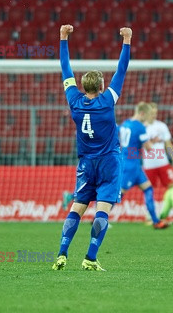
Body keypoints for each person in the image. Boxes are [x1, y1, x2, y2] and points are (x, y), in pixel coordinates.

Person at [52, 24, 131, 272]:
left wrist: (63, 38)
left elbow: (65, 68)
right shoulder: (108, 100)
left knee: (77, 207)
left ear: (83, 86)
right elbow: (122, 69)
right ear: (102, 86)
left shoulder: (74, 100)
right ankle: (90, 258)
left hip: (86, 163)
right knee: (103, 210)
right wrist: (126, 40)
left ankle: (62, 254)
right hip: (108, 161)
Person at [119, 102, 169, 229]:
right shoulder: (140, 127)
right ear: (142, 113)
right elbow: (149, 149)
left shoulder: (126, 123)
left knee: (148, 188)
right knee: (119, 194)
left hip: (131, 163)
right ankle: (98, 218)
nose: (148, 119)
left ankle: (156, 221)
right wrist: (154, 140)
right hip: (131, 165)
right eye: (147, 116)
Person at [143, 102, 173, 188]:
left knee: (172, 186)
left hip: (163, 163)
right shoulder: (142, 127)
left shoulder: (162, 126)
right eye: (152, 113)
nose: (154, 115)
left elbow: (168, 144)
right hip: (149, 165)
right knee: (149, 190)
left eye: (155, 113)